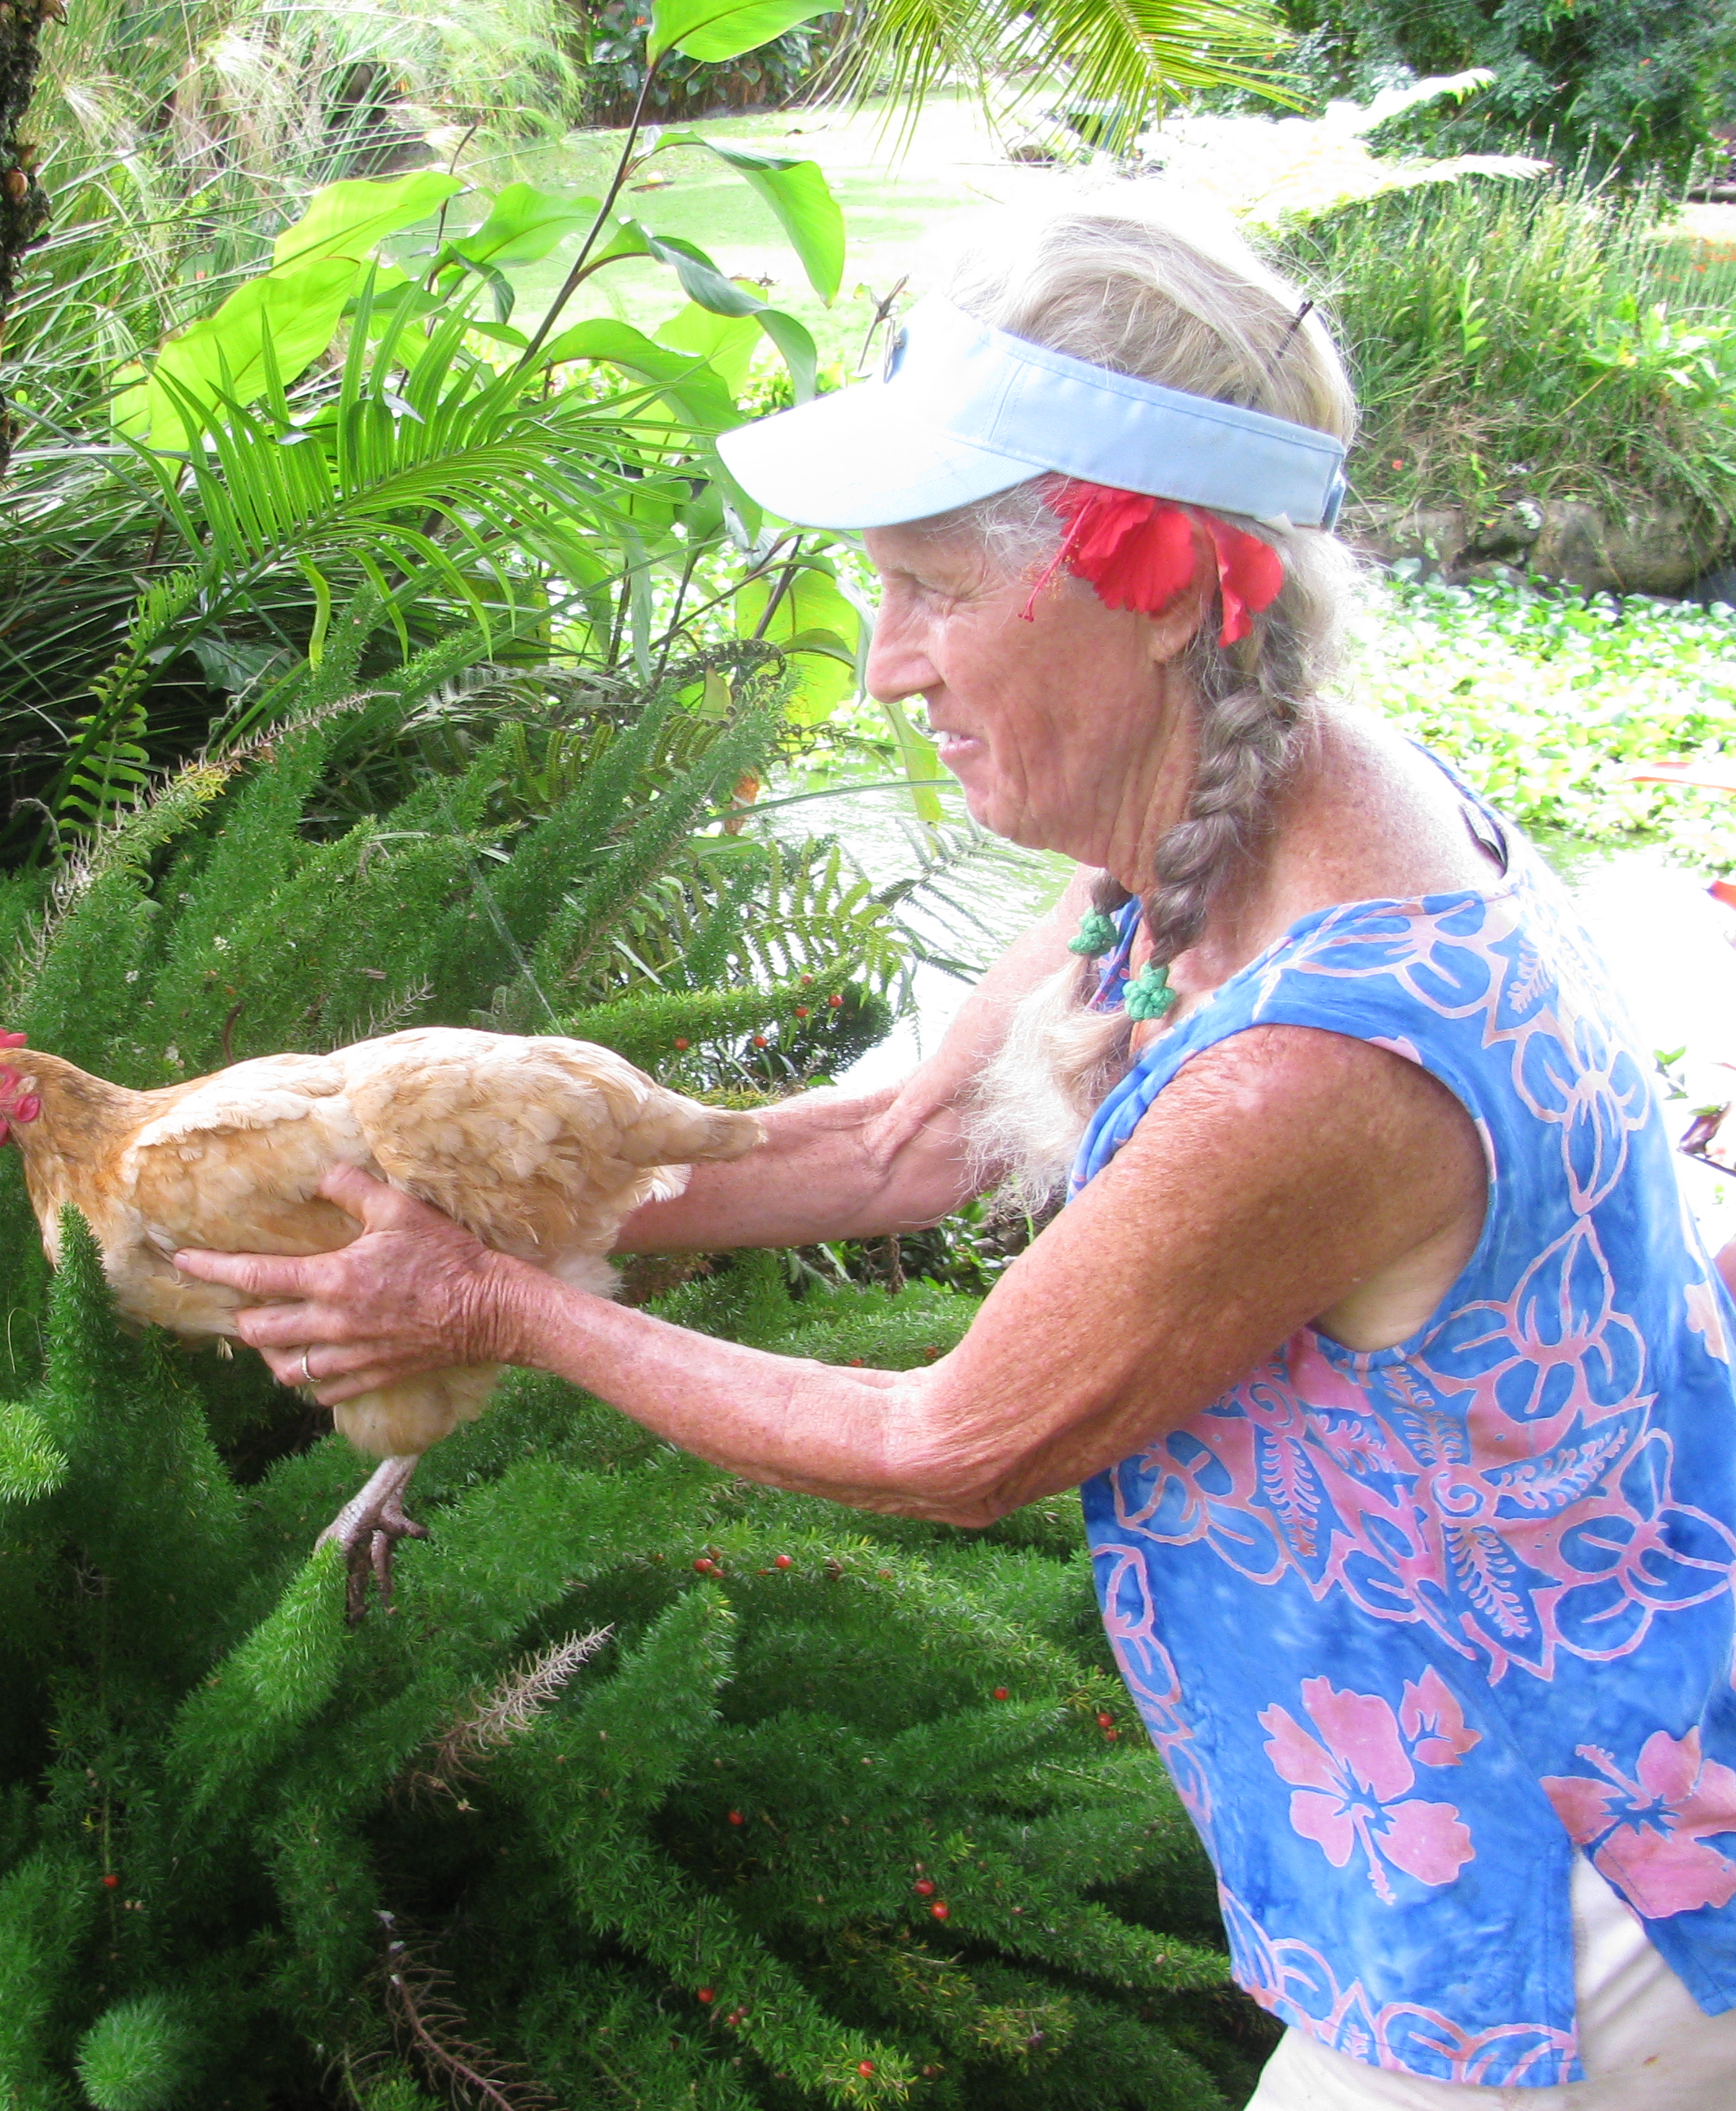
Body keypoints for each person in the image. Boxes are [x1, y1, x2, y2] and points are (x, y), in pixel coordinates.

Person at [171, 190, 1736, 2109]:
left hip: (1592, 1862)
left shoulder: (1327, 1055)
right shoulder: (1220, 816)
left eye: (927, 588)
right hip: (1477, 1779)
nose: (886, 663)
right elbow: (897, 1144)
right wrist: (380, 1170)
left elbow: (955, 1440)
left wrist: (492, 1304)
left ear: (1164, 588)